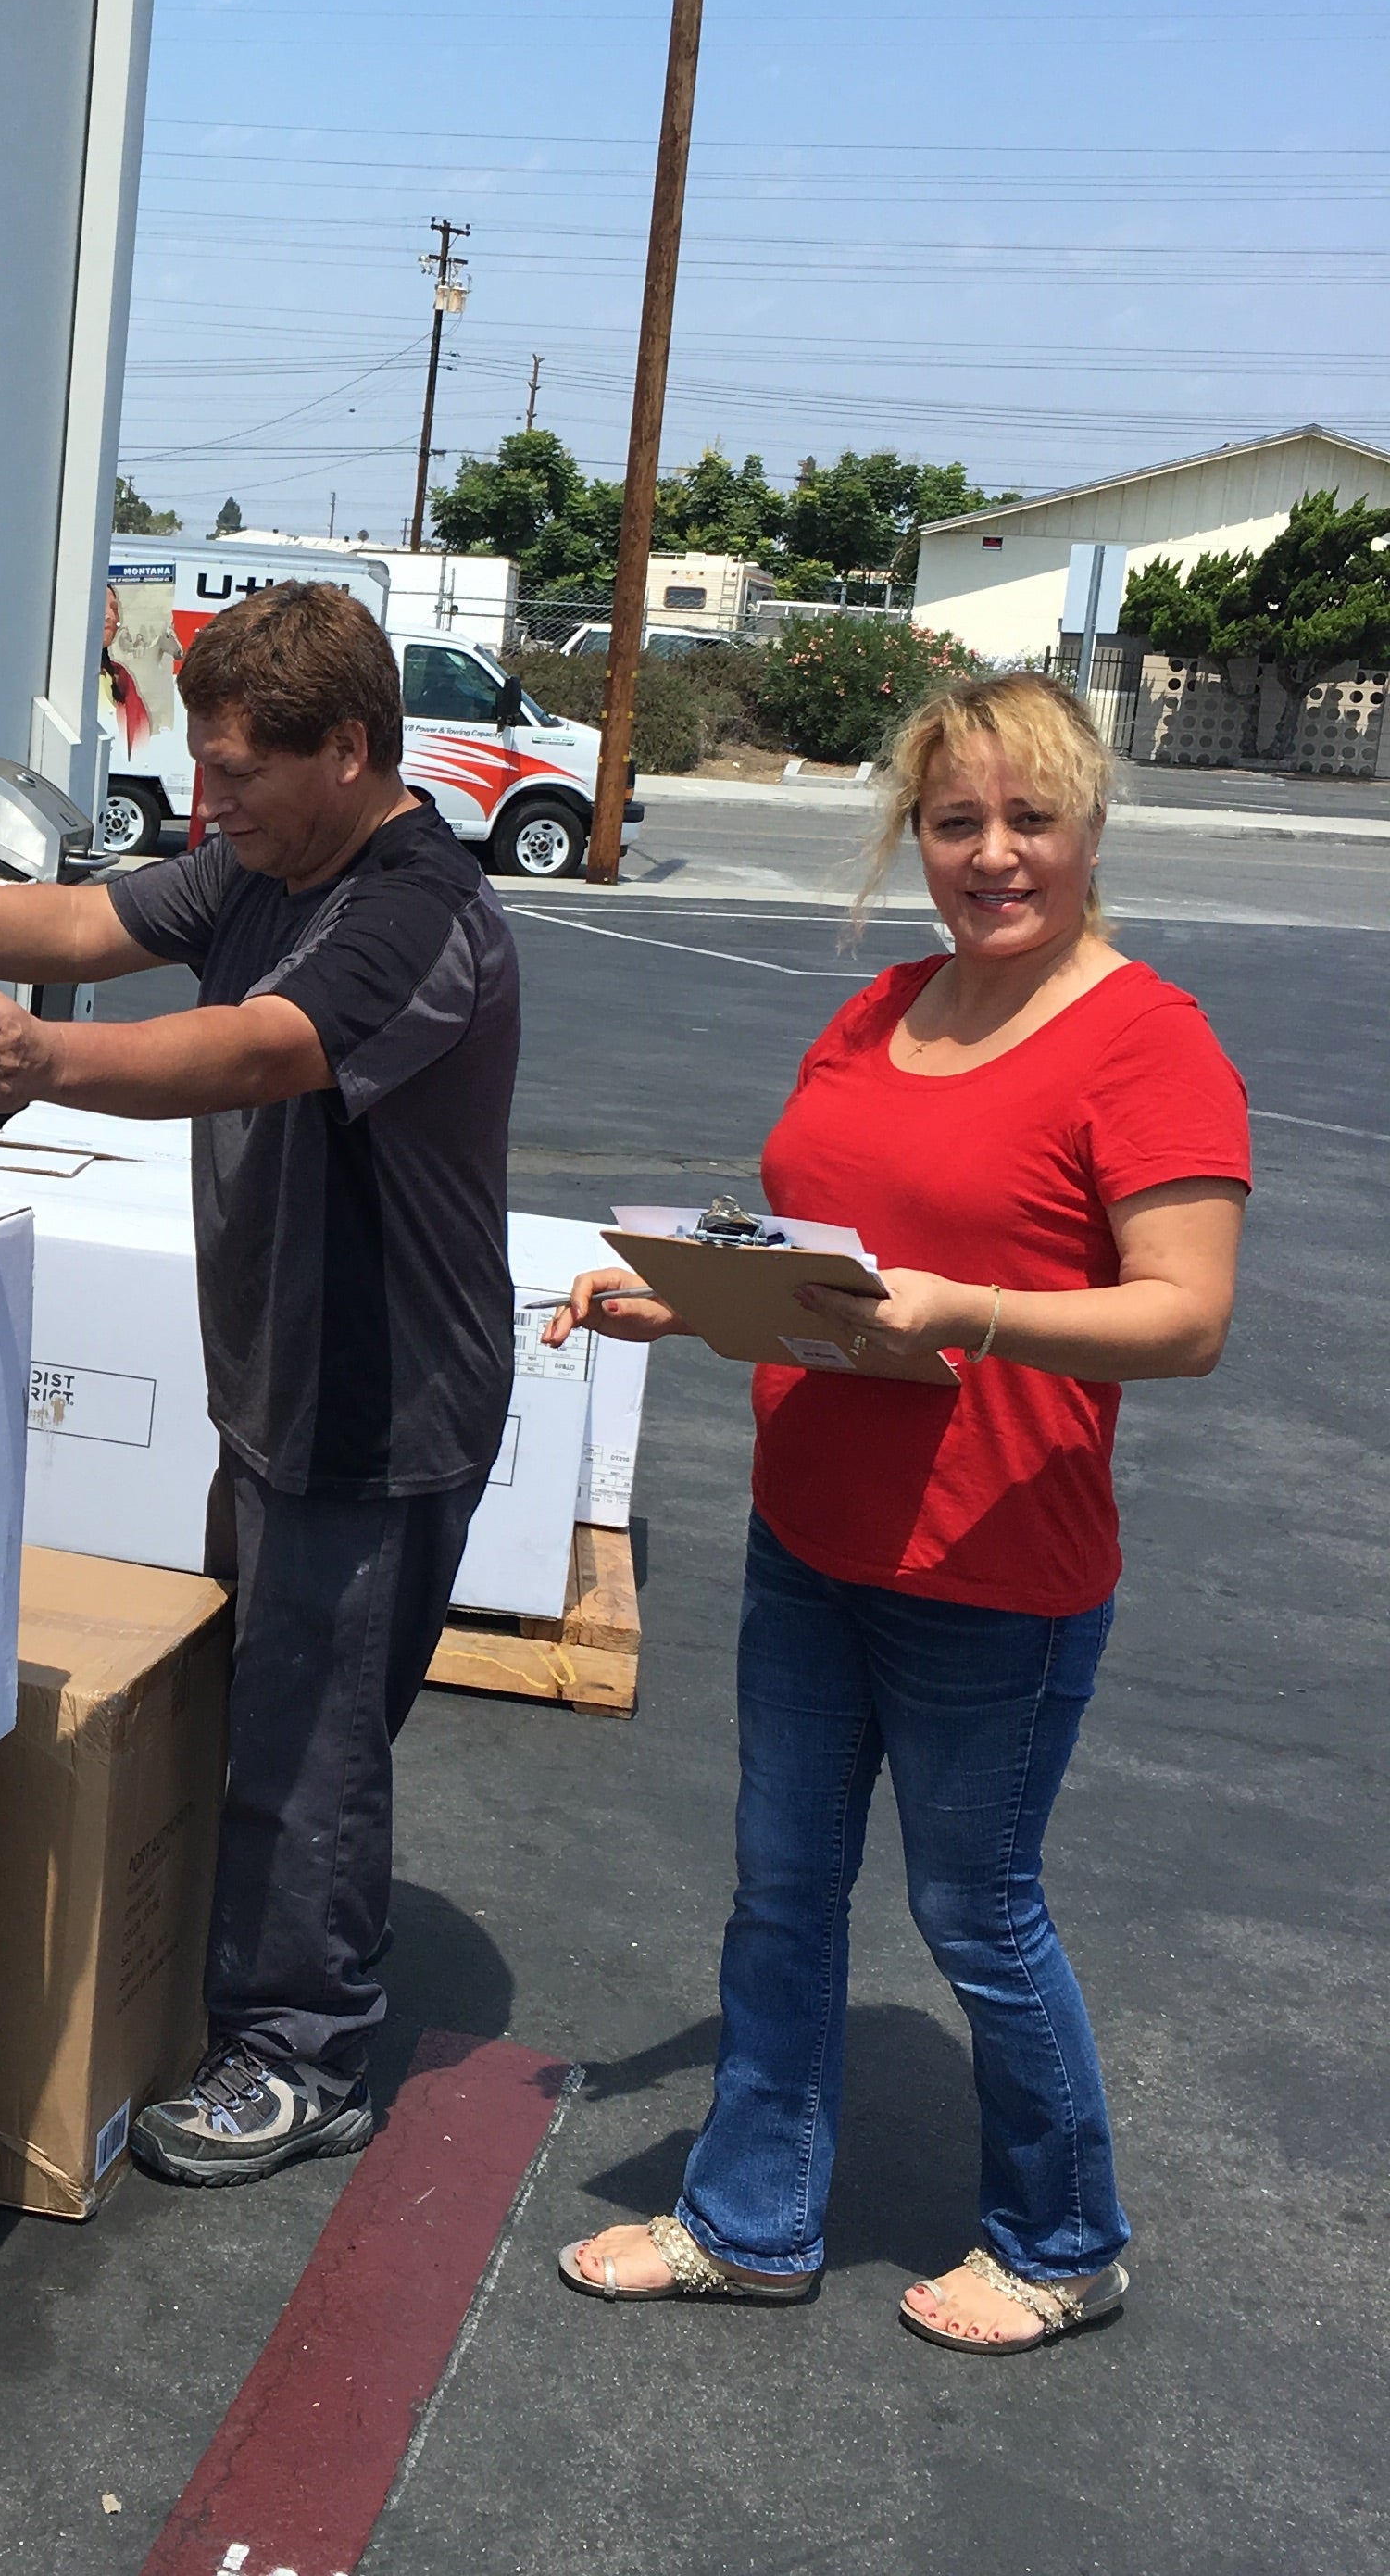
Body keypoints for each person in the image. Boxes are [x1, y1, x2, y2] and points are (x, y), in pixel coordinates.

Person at [547, 673, 1249, 2353]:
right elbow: (827, 1268)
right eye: (956, 823)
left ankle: (1068, 2238)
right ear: (912, 839)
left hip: (996, 1563)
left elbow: (1189, 1317)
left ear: (1090, 831)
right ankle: (751, 2219)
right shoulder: (881, 1013)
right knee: (780, 1890)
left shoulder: (1150, 1040)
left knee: (976, 1914)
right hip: (816, 1533)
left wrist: (975, 1312)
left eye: (1032, 819)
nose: (994, 854)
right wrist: (693, 1302)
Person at [0, 578, 520, 2186]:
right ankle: (252, 1980)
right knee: (264, 1697)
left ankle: (301, 2055)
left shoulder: (416, 910)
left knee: (315, 1738)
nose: (211, 797)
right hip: (277, 1379)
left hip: (377, 1405)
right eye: (202, 761)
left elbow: (255, 1050)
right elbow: (76, 926)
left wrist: (45, 1061)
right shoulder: (254, 858)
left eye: (242, 767)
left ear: (353, 751)